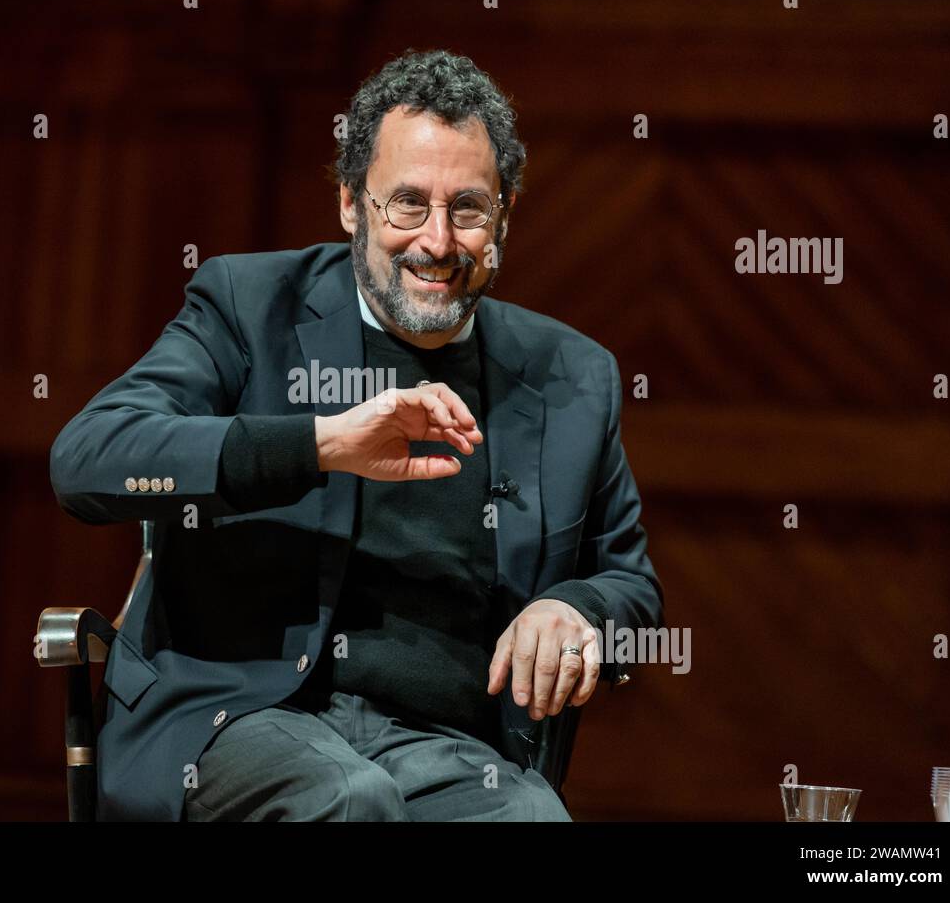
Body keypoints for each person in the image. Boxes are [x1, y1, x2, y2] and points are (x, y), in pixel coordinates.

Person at [49, 48, 663, 821]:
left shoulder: (573, 376)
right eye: (407, 203)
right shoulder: (250, 305)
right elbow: (88, 460)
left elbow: (632, 584)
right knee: (349, 801)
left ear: (504, 212)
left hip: (444, 747)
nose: (437, 242)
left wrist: (575, 608)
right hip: (235, 722)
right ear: (350, 204)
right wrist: (318, 445)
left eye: (467, 208)